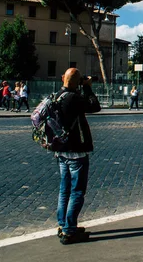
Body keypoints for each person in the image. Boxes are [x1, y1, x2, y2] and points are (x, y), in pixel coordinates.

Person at [54, 68, 101, 244]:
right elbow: (95, 106)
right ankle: (70, 230)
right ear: (77, 82)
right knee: (77, 191)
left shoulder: (58, 95)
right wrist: (88, 87)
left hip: (61, 150)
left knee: (64, 190)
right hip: (76, 152)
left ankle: (63, 224)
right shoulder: (74, 98)